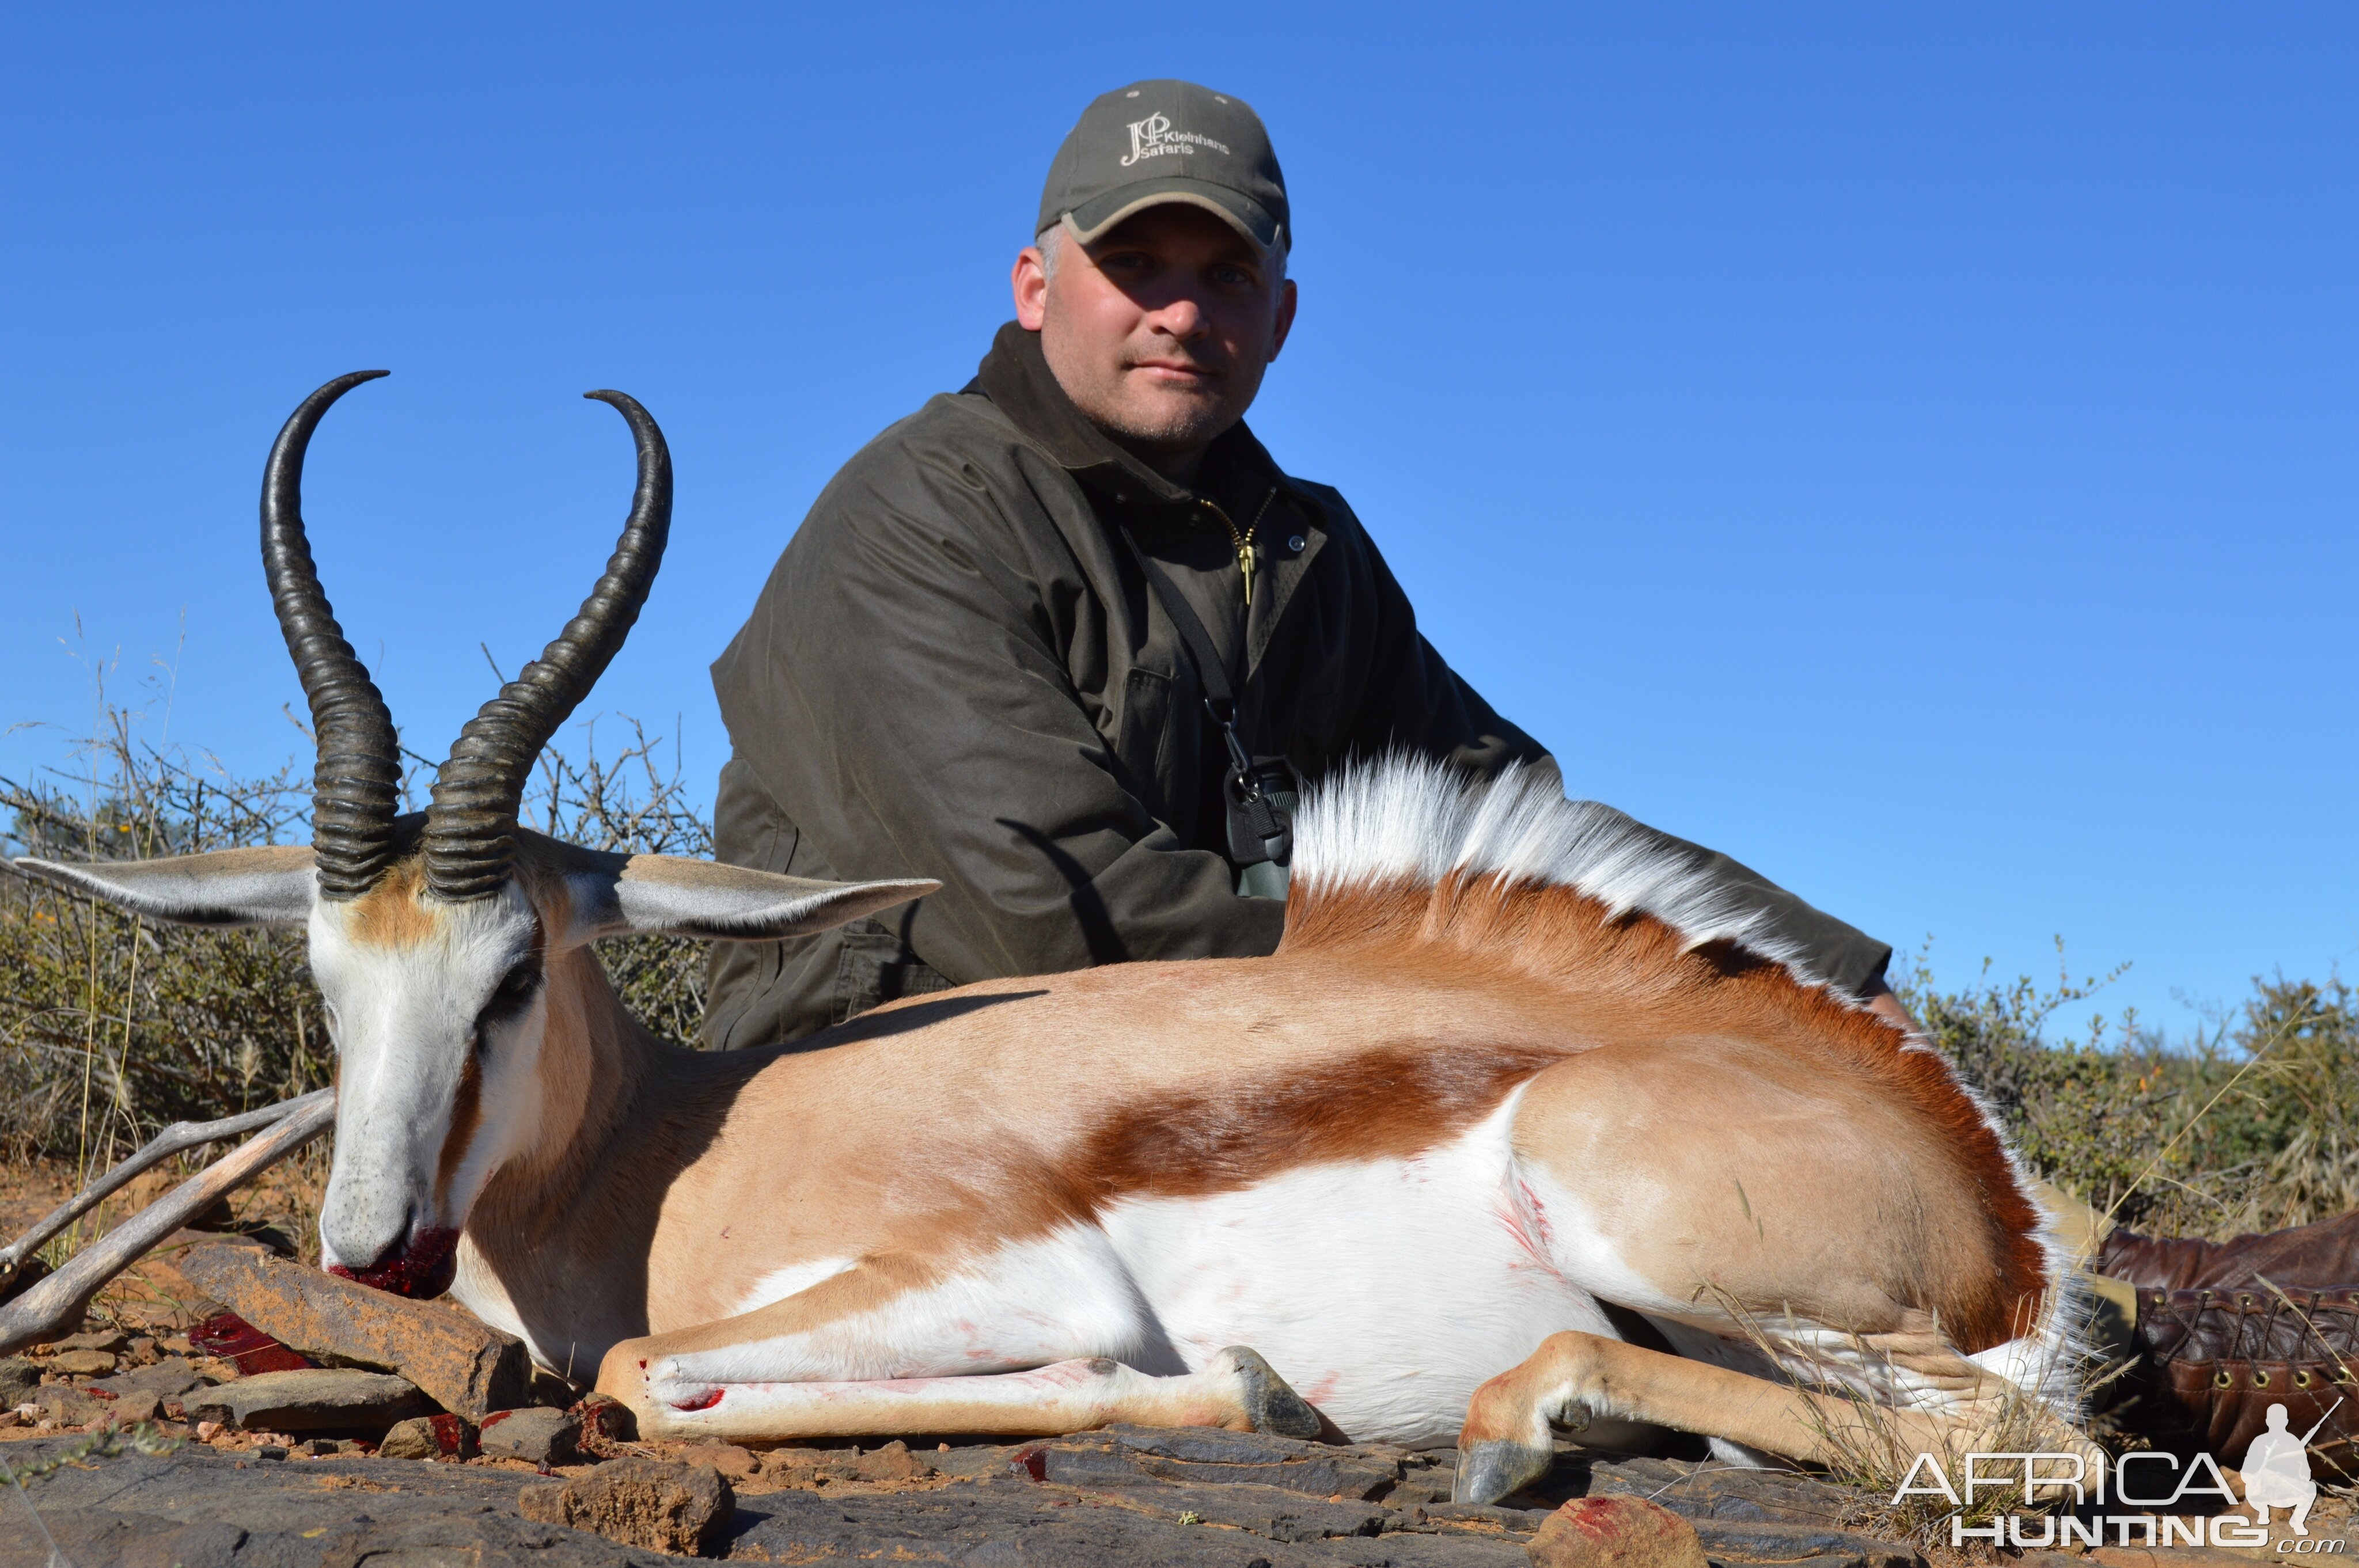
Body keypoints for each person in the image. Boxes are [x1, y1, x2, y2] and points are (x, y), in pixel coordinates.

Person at [703, 79, 1902, 1047]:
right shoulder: (921, 510)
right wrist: (1450, 975)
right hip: (896, 1078)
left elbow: (1516, 829)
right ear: (1034, 288)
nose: (1180, 313)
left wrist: (1814, 971)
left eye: (1225, 275)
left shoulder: (1306, 548)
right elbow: (1060, 913)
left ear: (1280, 318)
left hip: (1218, 1054)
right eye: (1135, 266)